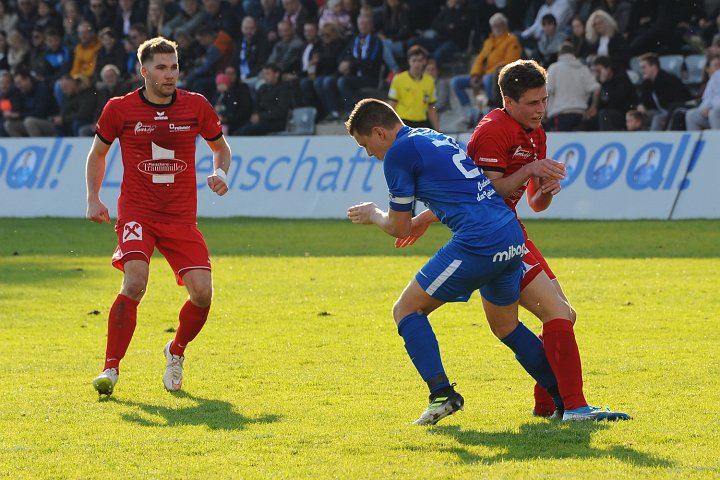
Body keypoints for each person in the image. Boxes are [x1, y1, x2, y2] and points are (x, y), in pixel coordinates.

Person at [398, 59, 632, 422]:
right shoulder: (493, 130)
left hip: (510, 228)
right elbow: (484, 193)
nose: (541, 110)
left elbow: (536, 202)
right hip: (493, 235)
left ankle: (551, 404)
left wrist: (549, 189)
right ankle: (573, 406)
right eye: (533, 102)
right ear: (508, 100)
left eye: (544, 100)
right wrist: (529, 170)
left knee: (549, 317)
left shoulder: (535, 131)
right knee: (553, 314)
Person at [345, 98, 558, 425]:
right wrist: (428, 218)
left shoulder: (399, 153)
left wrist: (374, 213)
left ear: (378, 132)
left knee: (406, 309)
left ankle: (442, 394)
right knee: (506, 326)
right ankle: (565, 398)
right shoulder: (432, 136)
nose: (369, 153)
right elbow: (467, 191)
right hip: (510, 235)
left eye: (366, 145)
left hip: (479, 241)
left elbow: (398, 226)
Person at [85, 36, 231, 396]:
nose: (170, 75)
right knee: (135, 282)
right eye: (162, 68)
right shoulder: (119, 109)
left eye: (174, 67)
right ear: (144, 71)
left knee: (202, 294)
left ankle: (175, 351)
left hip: (181, 218)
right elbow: (97, 155)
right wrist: (93, 198)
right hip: (137, 212)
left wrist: (221, 173)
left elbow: (220, 147)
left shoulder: (196, 106)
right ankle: (110, 369)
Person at [450, 12, 521, 127]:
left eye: (499, 25)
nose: (497, 28)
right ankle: (470, 113)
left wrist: (485, 75)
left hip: (499, 77)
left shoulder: (512, 40)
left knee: (488, 79)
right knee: (456, 82)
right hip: (483, 76)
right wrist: (475, 75)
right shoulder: (488, 42)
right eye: (494, 26)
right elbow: (480, 60)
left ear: (505, 25)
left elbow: (509, 62)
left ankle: (489, 110)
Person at [545, 41, 600, 132]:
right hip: (580, 115)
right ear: (573, 54)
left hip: (559, 114)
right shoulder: (583, 69)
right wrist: (593, 107)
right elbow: (596, 89)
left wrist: (544, 111)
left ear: (559, 54)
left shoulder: (554, 68)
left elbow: (547, 91)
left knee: (561, 143)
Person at [387, 45, 438, 130]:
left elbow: (431, 108)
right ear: (409, 61)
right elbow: (392, 105)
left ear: (424, 62)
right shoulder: (398, 79)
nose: (416, 64)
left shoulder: (429, 81)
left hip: (422, 122)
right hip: (403, 122)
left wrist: (437, 129)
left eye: (419, 60)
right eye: (414, 61)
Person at [637, 52, 691, 131]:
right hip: (660, 111)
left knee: (658, 119)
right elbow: (643, 99)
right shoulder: (647, 82)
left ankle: (654, 141)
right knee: (639, 117)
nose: (642, 71)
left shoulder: (669, 80)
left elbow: (679, 99)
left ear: (654, 67)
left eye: (644, 67)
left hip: (674, 112)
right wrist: (640, 105)